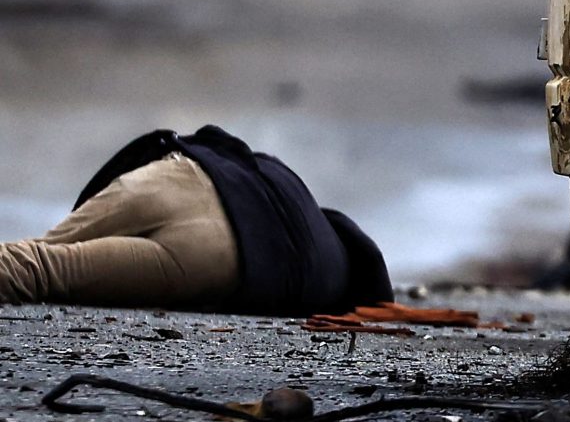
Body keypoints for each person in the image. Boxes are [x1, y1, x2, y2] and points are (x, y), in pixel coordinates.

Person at [0, 125, 392, 315]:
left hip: (178, 176)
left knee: (45, 248)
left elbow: (226, 143)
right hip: (214, 256)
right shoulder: (323, 284)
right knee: (42, 271)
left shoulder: (301, 198)